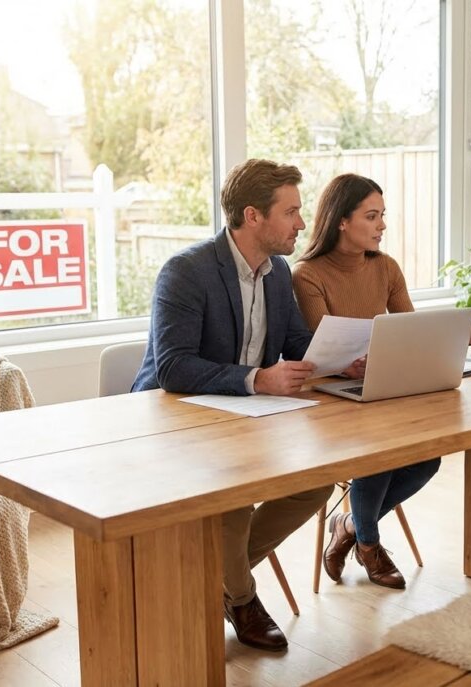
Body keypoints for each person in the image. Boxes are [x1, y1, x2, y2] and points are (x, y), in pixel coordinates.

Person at [131, 159, 334, 653]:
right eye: (291, 212)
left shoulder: (276, 270)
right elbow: (173, 368)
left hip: (246, 420)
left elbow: (294, 341)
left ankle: (217, 580)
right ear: (253, 216)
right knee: (230, 498)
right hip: (174, 419)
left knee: (317, 481)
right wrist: (257, 378)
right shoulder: (186, 271)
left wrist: (342, 360)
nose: (302, 224)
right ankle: (242, 598)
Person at [292, 173, 471, 589]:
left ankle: (348, 524)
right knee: (377, 451)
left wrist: (463, 336)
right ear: (341, 221)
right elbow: (321, 350)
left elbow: (410, 329)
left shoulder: (385, 267)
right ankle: (369, 545)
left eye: (383, 215)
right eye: (372, 216)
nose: (382, 225)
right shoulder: (307, 275)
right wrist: (353, 363)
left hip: (378, 389)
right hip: (332, 398)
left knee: (429, 458)